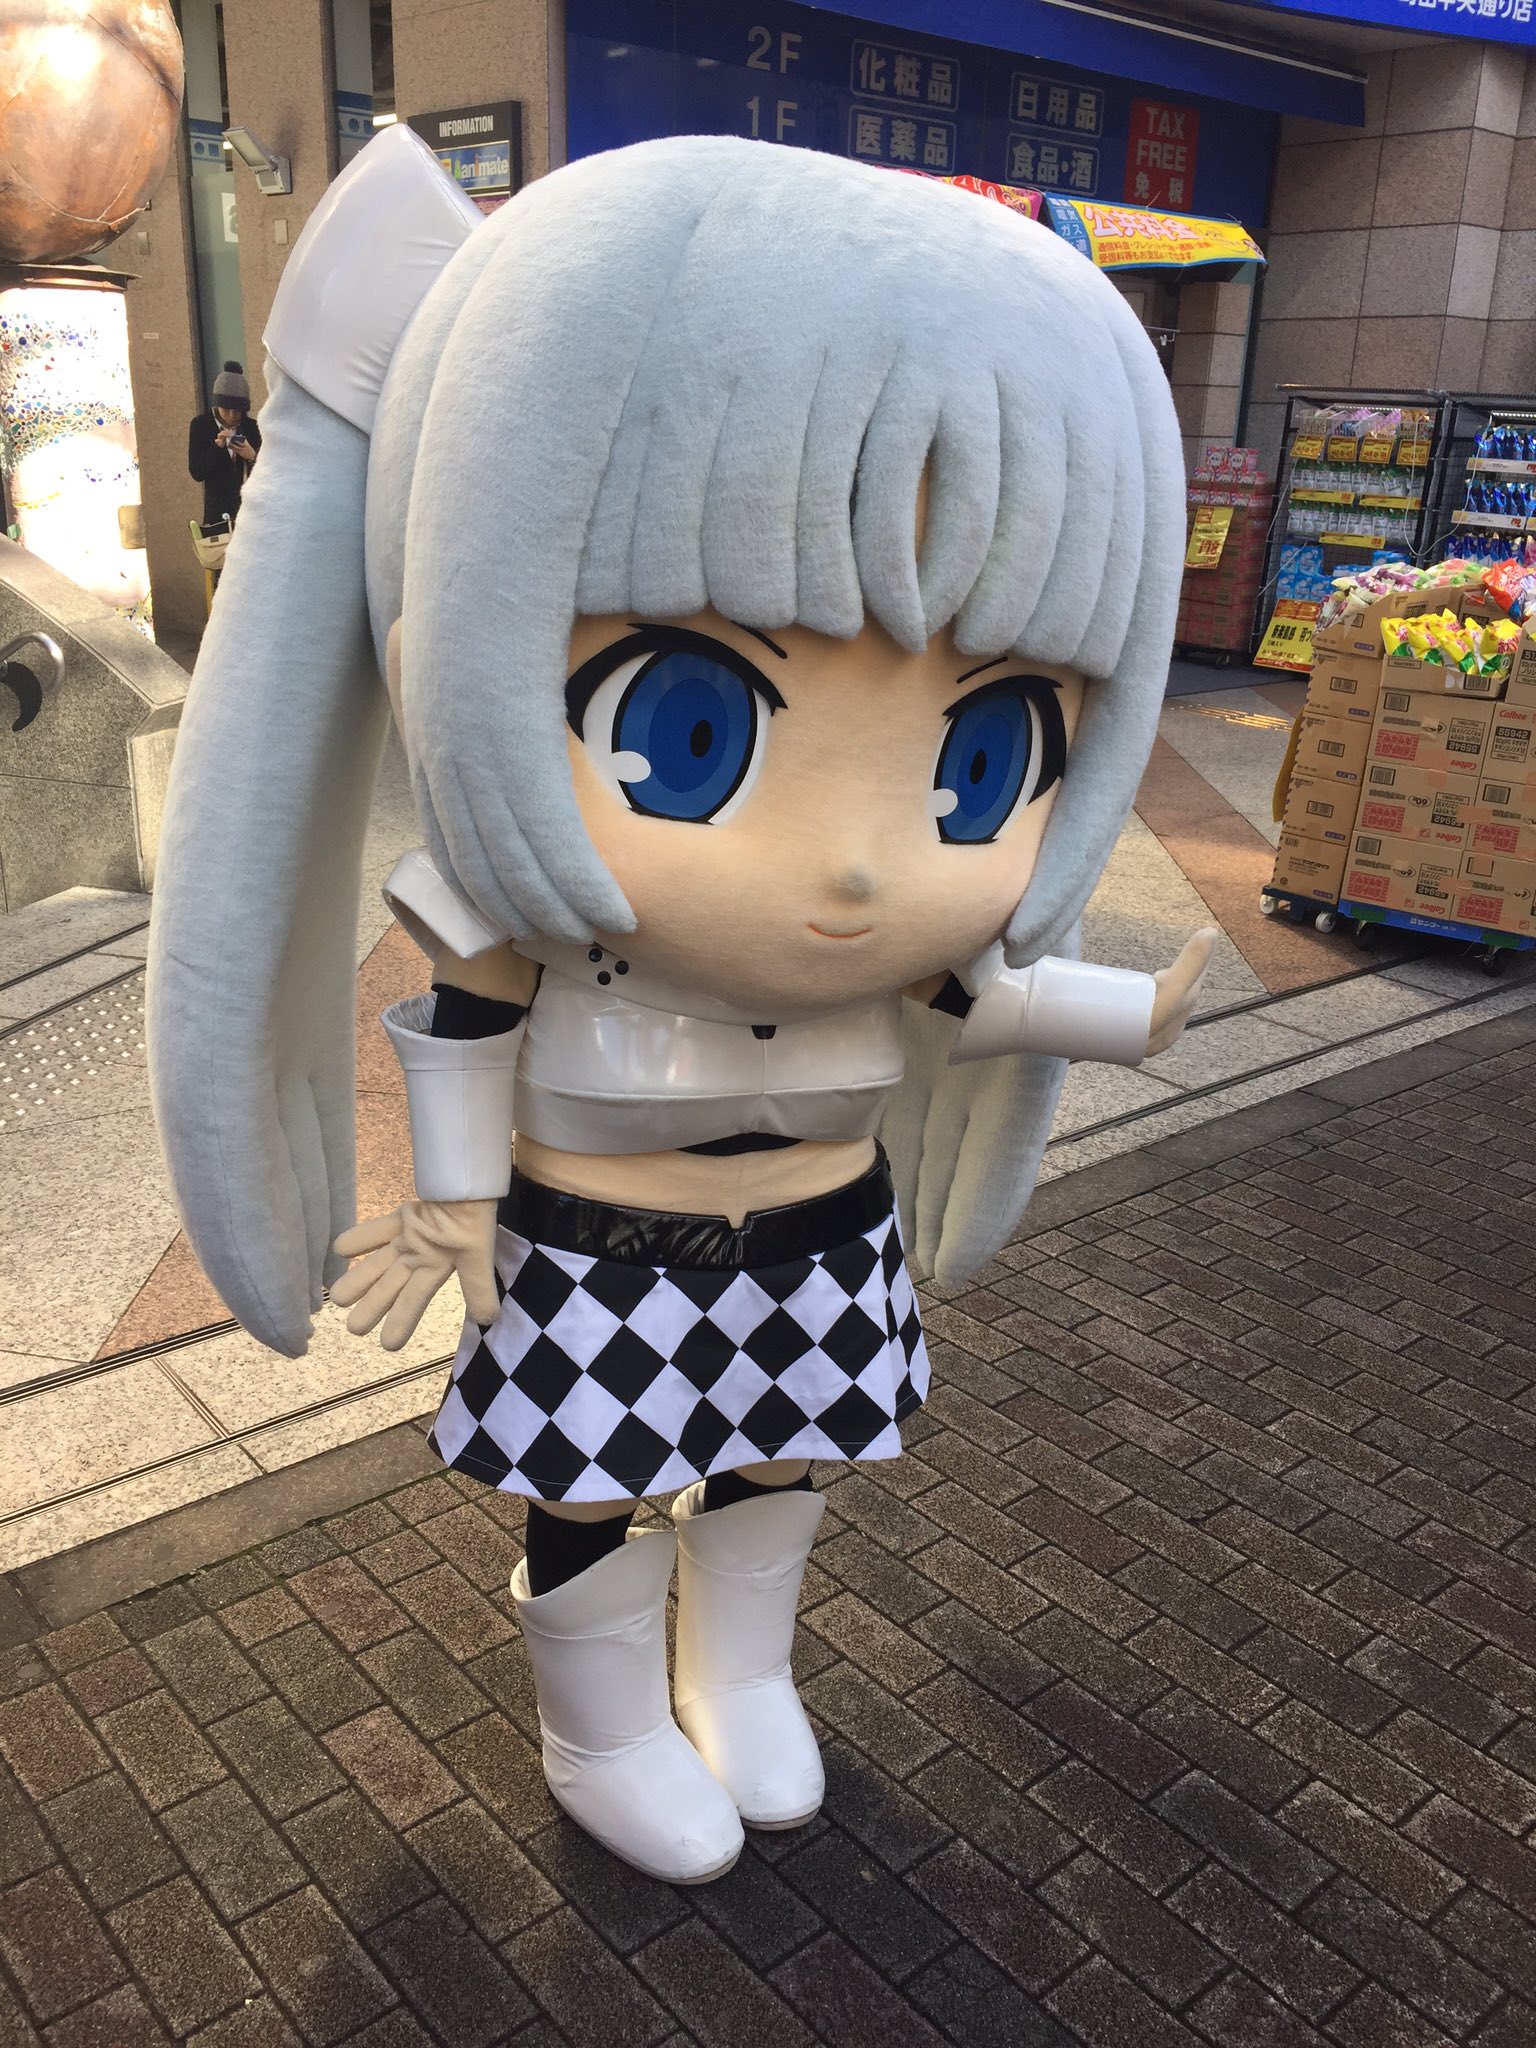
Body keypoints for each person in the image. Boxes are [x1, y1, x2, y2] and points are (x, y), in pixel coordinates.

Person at [149, 129, 1213, 1894]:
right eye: (687, 725)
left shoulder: (897, 958)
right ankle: (600, 1728)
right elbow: (470, 1017)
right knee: (595, 1483)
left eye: (985, 753)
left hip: (822, 1229)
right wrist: (453, 1205)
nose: (857, 866)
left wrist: (1134, 1014)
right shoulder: (520, 913)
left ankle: (740, 1673)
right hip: (599, 1242)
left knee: (785, 1463)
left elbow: (986, 992)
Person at [187, 360, 260, 527]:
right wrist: (217, 449)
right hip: (217, 516)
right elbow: (197, 472)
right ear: (217, 404)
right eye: (226, 409)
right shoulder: (201, 425)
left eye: (238, 410)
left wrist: (252, 456)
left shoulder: (252, 428)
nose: (232, 415)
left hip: (250, 515)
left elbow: (268, 474)